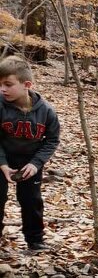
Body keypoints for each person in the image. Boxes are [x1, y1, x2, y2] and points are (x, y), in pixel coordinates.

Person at [0, 56, 61, 252]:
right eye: (0, 84)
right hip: (2, 160)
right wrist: (2, 165)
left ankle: (35, 241)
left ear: (26, 84)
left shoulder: (46, 111)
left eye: (8, 84)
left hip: (30, 163)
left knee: (31, 201)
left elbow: (52, 140)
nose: (2, 89)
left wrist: (36, 164)